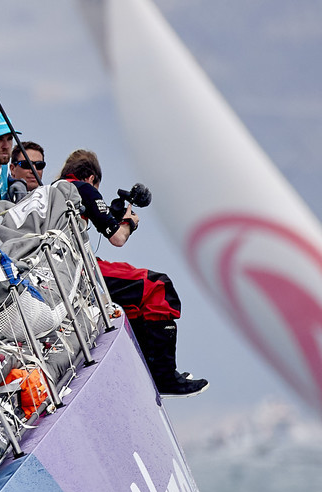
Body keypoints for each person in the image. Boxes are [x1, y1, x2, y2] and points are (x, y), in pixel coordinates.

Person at [52, 150, 206, 397]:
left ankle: (148, 368)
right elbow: (118, 238)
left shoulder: (50, 190)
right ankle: (165, 376)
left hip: (56, 273)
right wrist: (129, 223)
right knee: (158, 286)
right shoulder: (83, 188)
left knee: (132, 301)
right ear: (91, 178)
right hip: (78, 272)